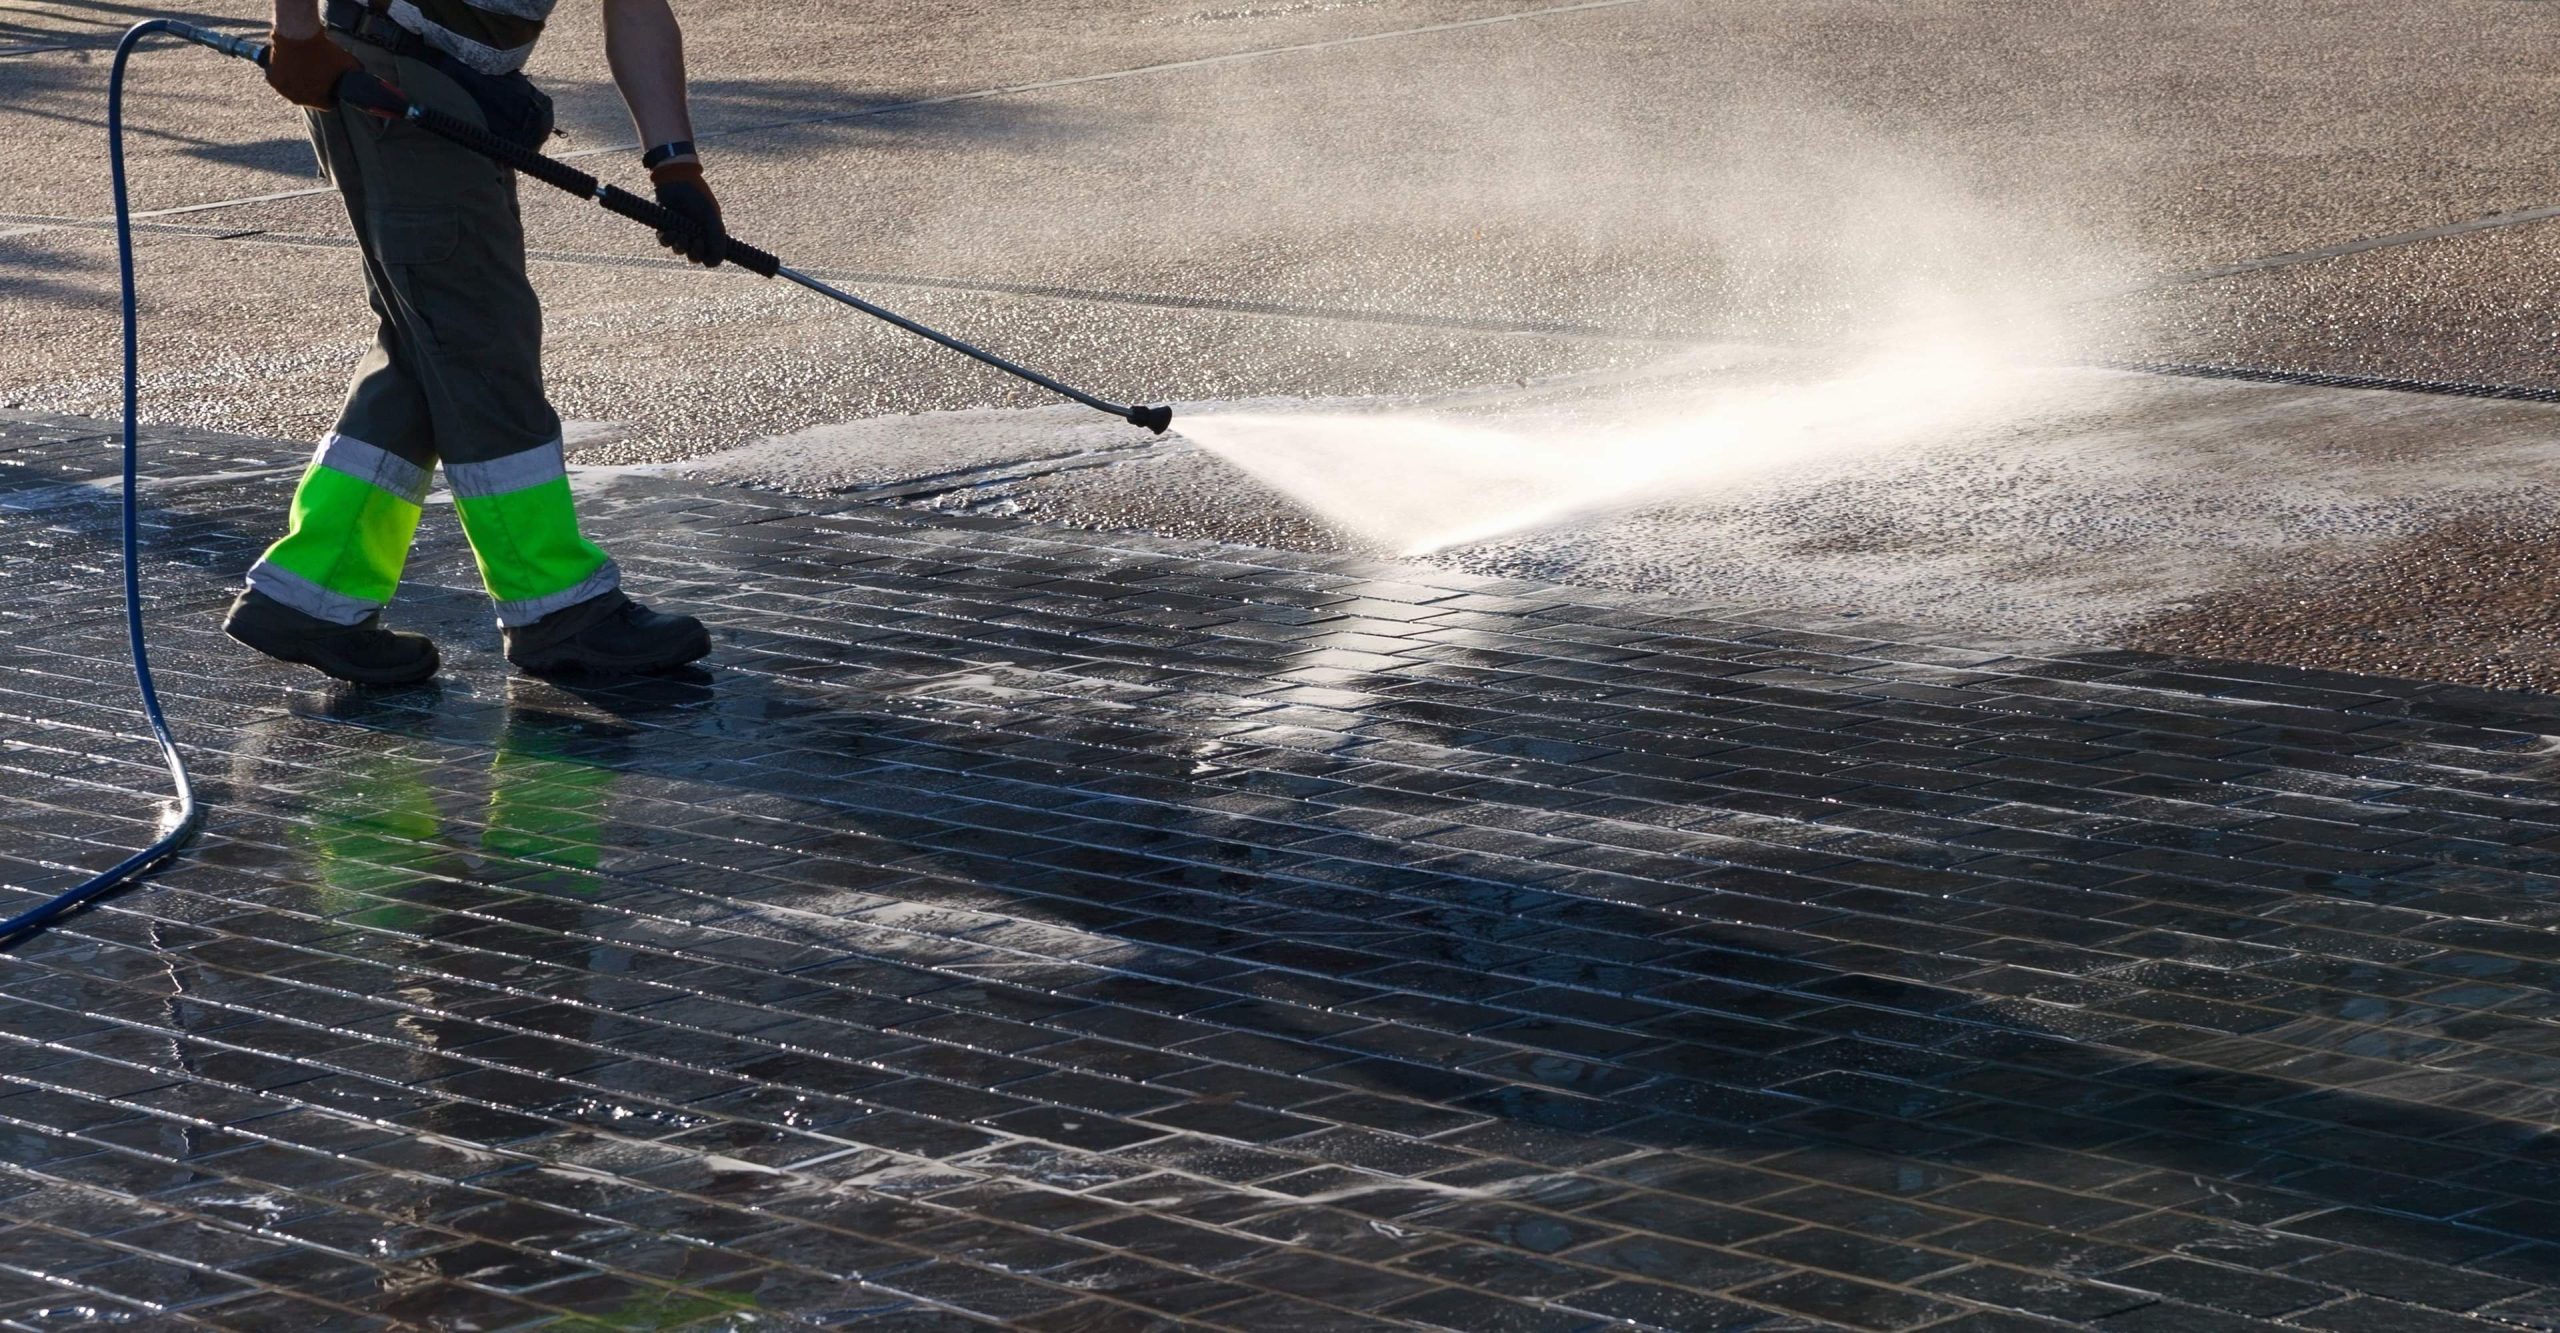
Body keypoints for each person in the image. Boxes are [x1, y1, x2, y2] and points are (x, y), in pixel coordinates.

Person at [223, 0, 724, 685]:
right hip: (395, 82)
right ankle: (556, 606)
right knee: (481, 344)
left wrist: (676, 168)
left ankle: (313, 592)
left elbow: (635, 9)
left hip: (430, 84)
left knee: (429, 341)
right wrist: (298, 34)